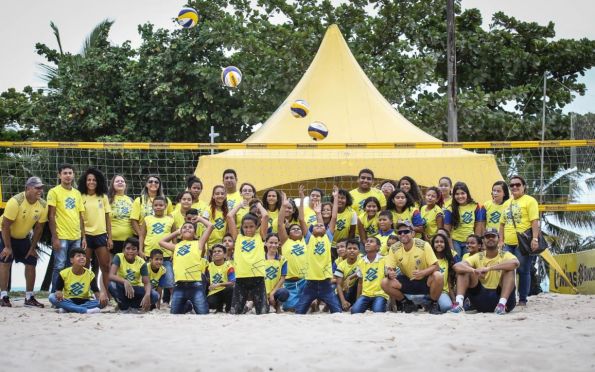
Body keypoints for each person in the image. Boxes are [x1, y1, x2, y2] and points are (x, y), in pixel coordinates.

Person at [0, 177, 48, 307]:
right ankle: (3, 296)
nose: (40, 190)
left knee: (31, 260)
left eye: (41, 188)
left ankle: (29, 297)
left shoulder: (43, 204)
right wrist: (8, 247)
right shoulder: (15, 202)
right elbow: (5, 225)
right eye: (37, 187)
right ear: (27, 188)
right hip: (4, 233)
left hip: (22, 236)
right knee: (5, 260)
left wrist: (33, 247)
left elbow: (39, 228)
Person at [295, 186, 342, 314]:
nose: (320, 226)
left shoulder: (328, 238)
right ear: (312, 230)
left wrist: (336, 197)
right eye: (317, 225)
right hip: (310, 283)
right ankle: (313, 304)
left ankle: (321, 304)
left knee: (337, 311)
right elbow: (301, 219)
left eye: (322, 225)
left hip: (326, 284)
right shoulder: (309, 239)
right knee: (299, 312)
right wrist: (301, 197)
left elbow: (334, 217)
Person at [452, 228, 519, 314]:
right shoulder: (478, 256)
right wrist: (474, 271)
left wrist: (489, 268)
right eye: (487, 236)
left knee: (509, 270)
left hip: (502, 299)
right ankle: (459, 304)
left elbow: (516, 263)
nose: (490, 238)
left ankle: (501, 305)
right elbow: (456, 266)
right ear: (483, 240)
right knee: (464, 270)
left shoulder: (505, 254)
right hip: (481, 299)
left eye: (493, 236)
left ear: (498, 239)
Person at [382, 221, 443, 314]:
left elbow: (436, 266)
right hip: (408, 280)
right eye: (399, 232)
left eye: (406, 232)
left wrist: (423, 272)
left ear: (413, 233)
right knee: (385, 282)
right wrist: (389, 273)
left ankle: (433, 304)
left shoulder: (424, 245)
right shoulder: (394, 248)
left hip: (425, 280)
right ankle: (406, 303)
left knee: (438, 275)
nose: (402, 234)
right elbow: (388, 268)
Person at [499, 175, 541, 307]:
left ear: (524, 186)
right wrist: (501, 241)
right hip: (508, 244)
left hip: (522, 243)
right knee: (506, 270)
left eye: (518, 184)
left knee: (523, 270)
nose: (515, 187)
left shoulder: (530, 201)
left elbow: (534, 221)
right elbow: (501, 224)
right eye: (512, 185)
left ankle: (523, 299)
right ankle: (508, 298)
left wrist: (534, 239)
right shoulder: (507, 203)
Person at [159, 218, 214, 315]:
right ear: (181, 232)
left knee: (203, 314)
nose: (187, 229)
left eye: (190, 227)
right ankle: (188, 305)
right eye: (184, 227)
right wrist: (176, 232)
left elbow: (210, 226)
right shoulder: (176, 246)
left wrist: (200, 219)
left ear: (195, 233)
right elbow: (161, 242)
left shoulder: (199, 243)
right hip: (179, 286)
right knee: (174, 314)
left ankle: (189, 304)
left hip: (196, 285)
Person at [47, 164, 86, 293]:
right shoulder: (54, 192)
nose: (68, 175)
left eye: (70, 173)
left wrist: (83, 237)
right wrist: (55, 237)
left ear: (73, 175)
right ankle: (54, 295)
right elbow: (51, 216)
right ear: (59, 175)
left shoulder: (77, 193)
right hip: (61, 235)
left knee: (73, 267)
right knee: (59, 266)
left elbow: (81, 217)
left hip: (76, 236)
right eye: (65, 173)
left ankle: (69, 294)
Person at [227, 199, 269, 314]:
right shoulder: (238, 237)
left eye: (251, 226)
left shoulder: (260, 236)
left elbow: (265, 216)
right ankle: (246, 307)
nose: (248, 229)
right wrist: (239, 205)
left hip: (258, 277)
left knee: (263, 311)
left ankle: (251, 306)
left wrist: (259, 205)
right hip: (241, 277)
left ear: (256, 226)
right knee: (235, 311)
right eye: (245, 227)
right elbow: (230, 216)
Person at [78, 167, 112, 299]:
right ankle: (87, 293)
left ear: (98, 182)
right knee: (85, 266)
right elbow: (80, 219)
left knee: (105, 266)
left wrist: (110, 238)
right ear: (85, 181)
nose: (91, 182)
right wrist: (83, 237)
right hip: (87, 236)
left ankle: (109, 296)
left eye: (94, 180)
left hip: (101, 235)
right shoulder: (80, 196)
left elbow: (107, 218)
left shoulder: (103, 197)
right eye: (89, 180)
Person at [48, 248, 107, 314]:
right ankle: (84, 310)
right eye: (78, 256)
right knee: (51, 297)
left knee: (104, 301)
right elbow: (58, 290)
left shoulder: (90, 274)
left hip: (86, 301)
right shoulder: (63, 273)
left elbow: (96, 291)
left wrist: (101, 297)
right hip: (69, 300)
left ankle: (68, 309)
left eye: (84, 256)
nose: (82, 258)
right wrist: (58, 293)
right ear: (71, 260)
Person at [139, 196, 175, 301]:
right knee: (146, 280)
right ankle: (147, 300)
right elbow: (142, 235)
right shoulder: (147, 219)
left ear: (165, 206)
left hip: (166, 255)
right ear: (152, 207)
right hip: (148, 254)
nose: (158, 207)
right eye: (156, 205)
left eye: (161, 205)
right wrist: (141, 250)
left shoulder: (170, 220)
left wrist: (174, 252)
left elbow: (174, 238)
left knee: (169, 279)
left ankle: (175, 300)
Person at [278, 190, 308, 312]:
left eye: (298, 229)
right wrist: (283, 205)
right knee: (290, 308)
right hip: (290, 283)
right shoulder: (286, 242)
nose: (296, 229)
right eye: (293, 228)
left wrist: (301, 199)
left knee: (307, 307)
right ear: (288, 233)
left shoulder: (306, 241)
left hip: (304, 281)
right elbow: (280, 224)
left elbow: (301, 219)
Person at [108, 237, 157, 312]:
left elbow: (146, 283)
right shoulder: (119, 257)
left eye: (134, 249)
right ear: (123, 250)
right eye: (128, 248)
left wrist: (147, 295)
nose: (130, 251)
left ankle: (131, 306)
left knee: (154, 295)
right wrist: (125, 281)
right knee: (112, 285)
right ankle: (124, 306)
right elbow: (111, 275)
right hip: (122, 287)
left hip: (136, 289)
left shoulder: (141, 262)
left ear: (137, 251)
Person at [443, 182, 486, 257]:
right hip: (455, 241)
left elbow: (478, 226)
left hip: (470, 241)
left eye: (462, 193)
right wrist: (451, 248)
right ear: (453, 195)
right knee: (457, 264)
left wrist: (476, 242)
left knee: (469, 263)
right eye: (457, 194)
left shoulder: (475, 206)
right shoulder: (449, 209)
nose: (460, 196)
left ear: (467, 194)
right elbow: (447, 230)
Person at [351, 237, 388, 313]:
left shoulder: (384, 260)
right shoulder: (361, 261)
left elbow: (389, 281)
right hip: (366, 294)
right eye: (367, 241)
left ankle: (378, 304)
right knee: (355, 311)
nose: (367, 243)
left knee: (378, 311)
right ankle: (369, 305)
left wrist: (392, 303)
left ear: (377, 247)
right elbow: (360, 282)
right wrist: (358, 299)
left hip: (380, 294)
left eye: (371, 241)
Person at [263, 233, 290, 313]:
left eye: (275, 243)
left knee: (284, 292)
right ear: (266, 243)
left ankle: (277, 305)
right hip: (262, 291)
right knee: (264, 311)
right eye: (271, 243)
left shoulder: (282, 259)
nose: (273, 245)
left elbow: (282, 278)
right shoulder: (260, 258)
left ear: (279, 244)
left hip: (276, 291)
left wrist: (272, 294)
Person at [108, 175, 134, 256]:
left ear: (125, 185)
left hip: (129, 240)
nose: (120, 182)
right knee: (112, 266)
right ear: (112, 184)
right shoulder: (107, 199)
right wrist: (108, 238)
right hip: (112, 240)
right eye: (117, 181)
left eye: (122, 181)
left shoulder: (131, 200)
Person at [334, 239, 362, 311]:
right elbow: (339, 285)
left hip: (358, 289)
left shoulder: (363, 259)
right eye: (349, 248)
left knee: (360, 279)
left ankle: (357, 302)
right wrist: (343, 301)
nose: (352, 250)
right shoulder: (341, 264)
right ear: (346, 250)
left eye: (355, 248)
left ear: (359, 251)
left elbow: (363, 272)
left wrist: (350, 277)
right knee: (337, 307)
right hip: (345, 291)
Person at [431, 234, 456, 313]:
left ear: (445, 244)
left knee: (447, 306)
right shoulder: (429, 258)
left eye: (441, 242)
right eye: (436, 242)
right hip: (429, 291)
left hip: (442, 292)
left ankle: (435, 305)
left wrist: (453, 299)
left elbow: (449, 282)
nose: (439, 244)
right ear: (433, 244)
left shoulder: (448, 260)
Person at [206, 244, 235, 313]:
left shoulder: (229, 266)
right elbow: (206, 280)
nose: (216, 253)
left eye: (219, 251)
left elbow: (233, 282)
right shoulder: (208, 266)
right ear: (212, 255)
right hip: (213, 292)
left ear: (225, 255)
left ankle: (228, 308)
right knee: (211, 303)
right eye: (214, 251)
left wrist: (218, 284)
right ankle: (219, 307)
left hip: (225, 291)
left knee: (231, 289)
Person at [331, 189, 357, 253]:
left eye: (342, 198)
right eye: (337, 197)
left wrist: (347, 245)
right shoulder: (329, 210)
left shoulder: (352, 213)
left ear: (347, 200)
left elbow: (352, 232)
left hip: (343, 245)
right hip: (329, 243)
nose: (339, 200)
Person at [207, 185, 229, 249]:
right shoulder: (208, 209)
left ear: (225, 196)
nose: (220, 195)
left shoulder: (227, 212)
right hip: (209, 246)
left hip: (222, 246)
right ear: (213, 196)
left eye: (222, 194)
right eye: (217, 194)